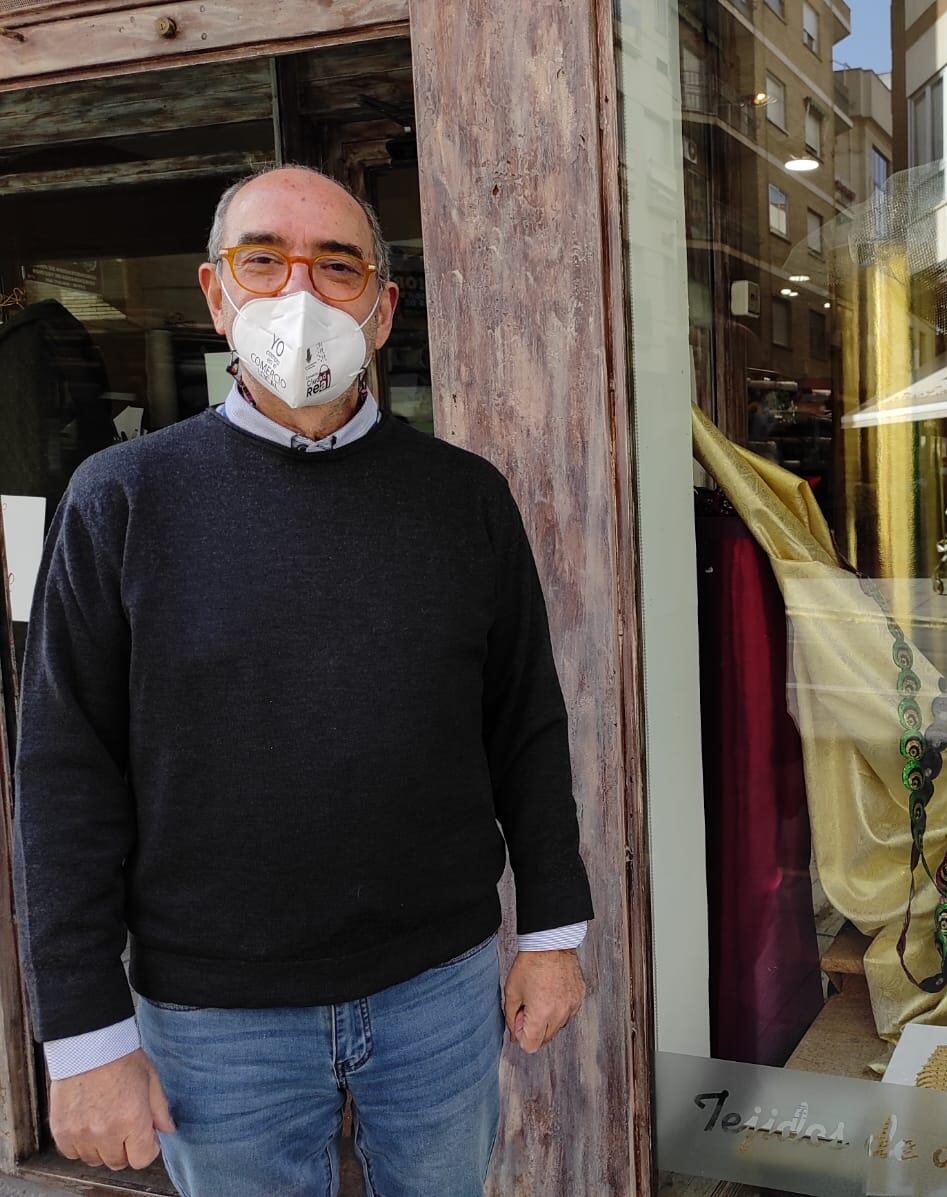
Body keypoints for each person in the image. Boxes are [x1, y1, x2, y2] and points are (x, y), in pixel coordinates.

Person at [12, 165, 594, 1196]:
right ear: (215, 291)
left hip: (439, 989)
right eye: (263, 260)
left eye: (336, 266)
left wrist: (551, 934)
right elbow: (65, 779)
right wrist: (83, 1037)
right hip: (214, 1016)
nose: (299, 293)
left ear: (382, 306)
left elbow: (525, 727)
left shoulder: (463, 499)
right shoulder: (121, 501)